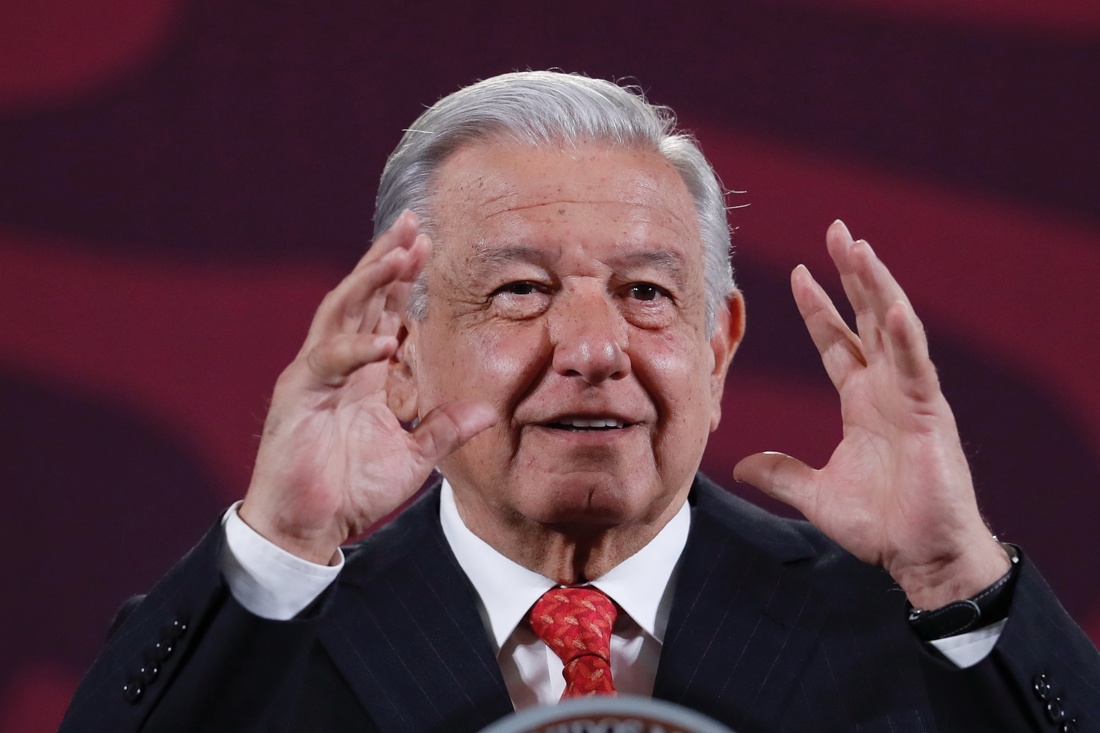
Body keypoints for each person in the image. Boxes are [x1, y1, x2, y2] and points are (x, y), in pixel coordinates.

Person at [61, 71, 1099, 733]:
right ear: (401, 351)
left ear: (718, 345)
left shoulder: (907, 633)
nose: (595, 349)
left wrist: (950, 571)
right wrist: (281, 540)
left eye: (647, 293)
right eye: (519, 291)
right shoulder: (264, 635)